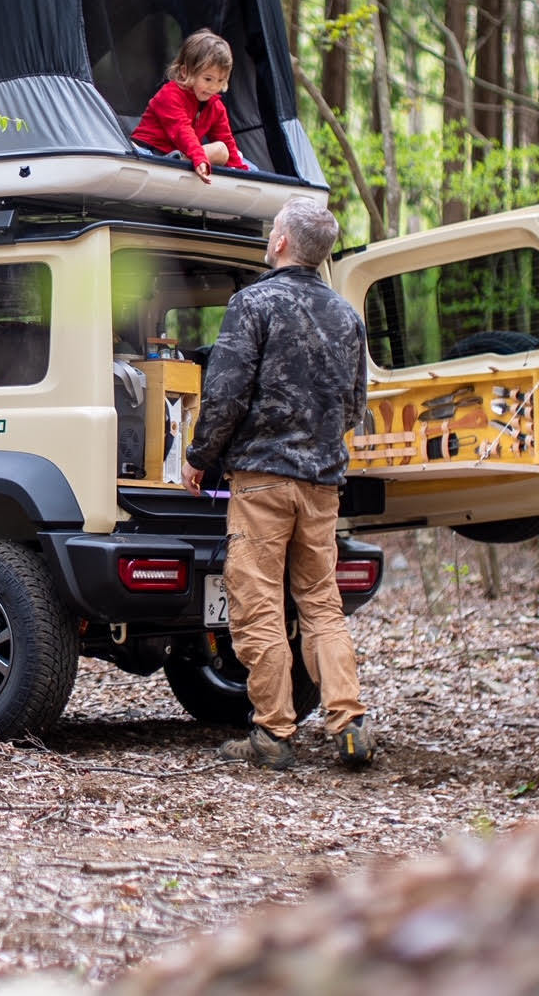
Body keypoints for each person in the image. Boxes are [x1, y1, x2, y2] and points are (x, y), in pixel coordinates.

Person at [182, 197, 371, 771]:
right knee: (321, 602)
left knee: (258, 601)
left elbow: (225, 394)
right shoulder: (347, 316)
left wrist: (199, 457)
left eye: (272, 230)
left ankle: (273, 733)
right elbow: (354, 407)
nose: (268, 236)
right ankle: (349, 720)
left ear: (282, 242)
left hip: (261, 481)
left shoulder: (253, 304)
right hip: (321, 485)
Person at [130, 29, 252, 183]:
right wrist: (198, 157)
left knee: (236, 158)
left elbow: (226, 138)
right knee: (220, 150)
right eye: (208, 79)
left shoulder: (215, 106)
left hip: (183, 152)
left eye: (220, 80)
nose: (214, 87)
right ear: (185, 72)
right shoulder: (170, 94)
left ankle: (183, 159)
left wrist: (241, 172)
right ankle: (179, 160)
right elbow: (182, 130)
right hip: (150, 152)